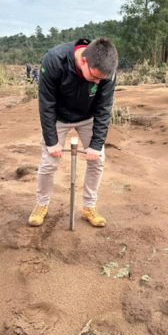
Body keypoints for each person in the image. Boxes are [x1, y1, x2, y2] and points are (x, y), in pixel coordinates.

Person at [28, 37, 118, 228]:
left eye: (101, 79)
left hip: (88, 116)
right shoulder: (54, 60)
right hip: (58, 117)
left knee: (98, 160)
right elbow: (46, 103)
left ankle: (89, 207)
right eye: (94, 77)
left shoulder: (107, 71)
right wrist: (52, 142)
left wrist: (96, 145)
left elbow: (104, 108)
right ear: (84, 61)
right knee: (49, 161)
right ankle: (41, 204)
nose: (97, 82)